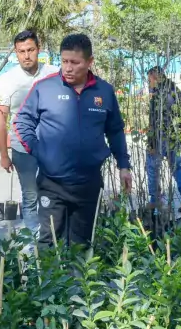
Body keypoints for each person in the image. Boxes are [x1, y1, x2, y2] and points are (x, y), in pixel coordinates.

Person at [14, 33, 132, 247]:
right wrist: (39, 152)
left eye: (75, 62)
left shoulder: (104, 91)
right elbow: (22, 122)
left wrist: (123, 165)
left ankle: (78, 281)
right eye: (64, 61)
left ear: (89, 62)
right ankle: (45, 281)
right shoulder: (44, 88)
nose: (67, 68)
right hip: (52, 183)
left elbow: (115, 130)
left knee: (81, 244)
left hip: (88, 184)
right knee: (49, 244)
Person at [0, 30, 59, 235]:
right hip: (23, 150)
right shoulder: (7, 80)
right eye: (21, 51)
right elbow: (1, 119)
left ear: (38, 49)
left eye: (30, 50)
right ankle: (34, 243)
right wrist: (4, 155)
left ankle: (54, 239)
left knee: (54, 194)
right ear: (16, 52)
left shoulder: (55, 73)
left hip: (54, 149)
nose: (26, 55)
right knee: (30, 196)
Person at [146, 66, 181, 215]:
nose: (149, 84)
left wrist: (152, 143)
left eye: (149, 80)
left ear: (155, 77)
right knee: (177, 168)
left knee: (152, 167)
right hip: (174, 138)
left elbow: (155, 121)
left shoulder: (160, 94)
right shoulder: (174, 89)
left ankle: (155, 200)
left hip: (162, 137)